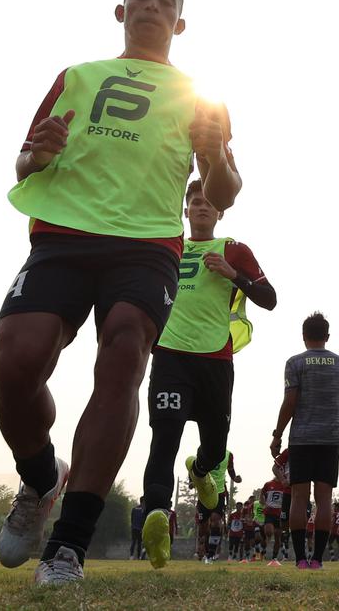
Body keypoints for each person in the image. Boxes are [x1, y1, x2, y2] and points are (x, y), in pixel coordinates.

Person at [0, 0, 242, 586]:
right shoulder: (77, 77)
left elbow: (225, 191)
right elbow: (25, 160)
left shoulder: (201, 98)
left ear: (180, 22)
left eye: (165, 1)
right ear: (121, 11)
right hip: (63, 237)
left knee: (125, 353)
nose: (152, 7)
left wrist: (212, 157)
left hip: (146, 245)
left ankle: (68, 547)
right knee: (15, 362)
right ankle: (40, 479)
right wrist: (40, 152)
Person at [140, 178, 276, 568]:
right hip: (169, 357)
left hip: (215, 361)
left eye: (207, 202)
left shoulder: (233, 249)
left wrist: (234, 274)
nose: (200, 206)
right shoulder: (167, 244)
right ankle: (156, 515)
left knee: (216, 448)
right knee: (164, 436)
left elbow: (269, 299)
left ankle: (202, 471)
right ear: (185, 209)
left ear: (220, 211)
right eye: (194, 201)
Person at [271, 312, 339, 569]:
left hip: (302, 437)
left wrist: (277, 434)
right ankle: (318, 559)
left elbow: (290, 402)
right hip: (330, 437)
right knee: (324, 498)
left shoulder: (295, 363)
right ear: (327, 336)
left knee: (298, 497)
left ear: (304, 336)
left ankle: (299, 559)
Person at [194, 450, 241, 563]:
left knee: (216, 522)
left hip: (219, 493)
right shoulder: (203, 449)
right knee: (203, 527)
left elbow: (230, 469)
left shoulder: (229, 454)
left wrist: (234, 478)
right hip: (204, 493)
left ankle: (210, 555)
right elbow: (194, 467)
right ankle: (201, 551)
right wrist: (192, 481)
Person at [261, 466, 291, 565]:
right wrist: (263, 501)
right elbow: (262, 493)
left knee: (278, 537)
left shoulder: (286, 485)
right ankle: (263, 549)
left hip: (280, 514)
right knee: (269, 532)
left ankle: (274, 557)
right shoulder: (268, 484)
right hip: (269, 513)